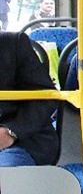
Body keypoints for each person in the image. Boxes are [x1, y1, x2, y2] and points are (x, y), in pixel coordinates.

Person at [0, 31, 59, 166]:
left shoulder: (13, 43)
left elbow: (45, 96)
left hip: (19, 141)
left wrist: (11, 132)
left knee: (6, 175)